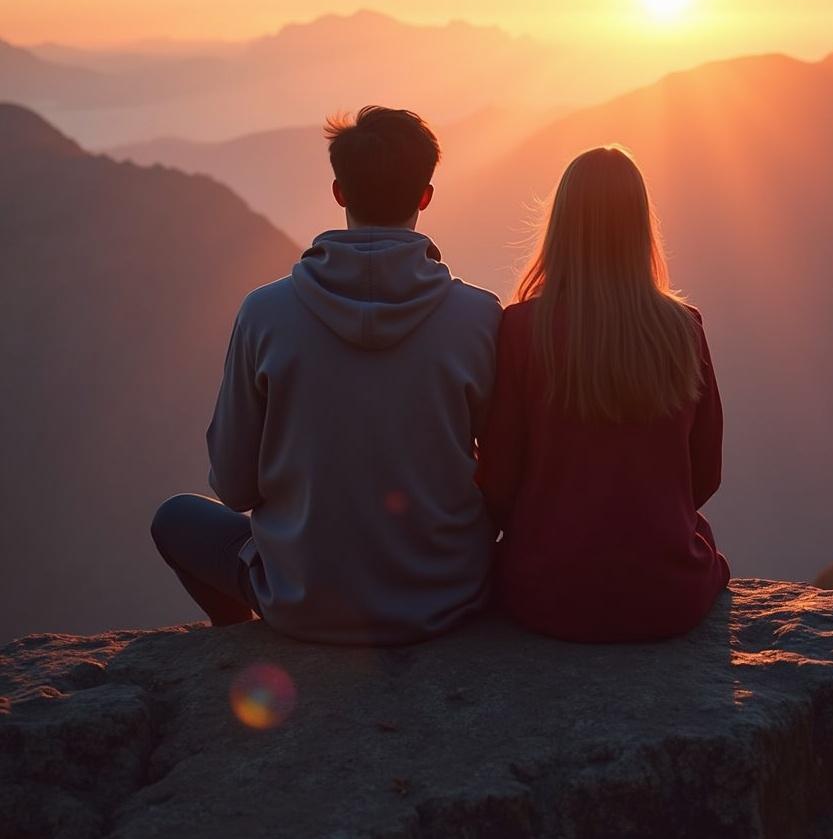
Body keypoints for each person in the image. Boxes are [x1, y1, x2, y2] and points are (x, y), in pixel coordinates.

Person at [151, 106, 501, 643]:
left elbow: (233, 484)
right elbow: (505, 481)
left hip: (303, 601)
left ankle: (236, 642)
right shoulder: (478, 317)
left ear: (339, 192)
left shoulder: (265, 313)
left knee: (176, 518)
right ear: (426, 195)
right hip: (450, 597)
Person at [476, 145, 730, 643]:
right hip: (668, 594)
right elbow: (706, 473)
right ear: (640, 227)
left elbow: (498, 484)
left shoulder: (523, 329)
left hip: (547, 594)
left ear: (562, 227)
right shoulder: (684, 329)